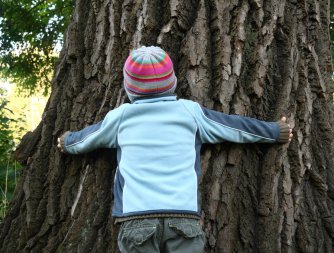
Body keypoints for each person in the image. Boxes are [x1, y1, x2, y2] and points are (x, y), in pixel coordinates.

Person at [57, 46, 293, 253]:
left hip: (136, 219)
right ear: (172, 82)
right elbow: (234, 127)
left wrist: (67, 141)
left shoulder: (120, 118)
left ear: (129, 87)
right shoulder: (190, 112)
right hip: (183, 218)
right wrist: (275, 131)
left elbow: (86, 140)